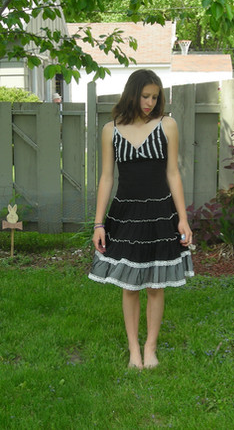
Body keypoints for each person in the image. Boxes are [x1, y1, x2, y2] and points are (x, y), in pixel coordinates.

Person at [88, 69, 194, 369]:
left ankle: (150, 348)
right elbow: (107, 178)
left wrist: (183, 219)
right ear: (132, 94)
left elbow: (173, 174)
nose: (150, 102)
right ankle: (134, 349)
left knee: (156, 285)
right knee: (130, 285)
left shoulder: (167, 126)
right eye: (145, 96)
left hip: (160, 214)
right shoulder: (110, 130)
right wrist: (99, 223)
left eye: (155, 97)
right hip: (126, 215)